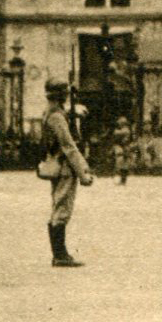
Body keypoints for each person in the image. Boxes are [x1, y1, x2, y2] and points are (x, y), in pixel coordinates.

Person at [40, 78, 95, 267]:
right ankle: (60, 255)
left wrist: (72, 112)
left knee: (58, 206)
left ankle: (59, 253)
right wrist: (83, 172)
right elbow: (69, 146)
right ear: (60, 95)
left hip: (58, 165)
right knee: (62, 209)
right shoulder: (57, 116)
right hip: (64, 168)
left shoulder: (50, 112)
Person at [110, 116, 132, 185]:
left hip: (125, 147)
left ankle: (123, 180)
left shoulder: (126, 130)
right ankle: (122, 180)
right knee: (123, 164)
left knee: (124, 164)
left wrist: (116, 131)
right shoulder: (124, 129)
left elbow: (116, 133)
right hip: (123, 147)